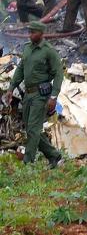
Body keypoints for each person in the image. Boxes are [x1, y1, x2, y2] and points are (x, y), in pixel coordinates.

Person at [4, 21, 63, 166]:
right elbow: (20, 70)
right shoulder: (27, 49)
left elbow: (59, 74)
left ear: (41, 34)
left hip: (41, 95)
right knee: (31, 128)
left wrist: (54, 97)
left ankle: (28, 161)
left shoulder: (48, 51)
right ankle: (54, 155)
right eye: (29, 32)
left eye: (33, 32)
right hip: (28, 95)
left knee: (33, 128)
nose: (30, 35)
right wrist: (11, 88)